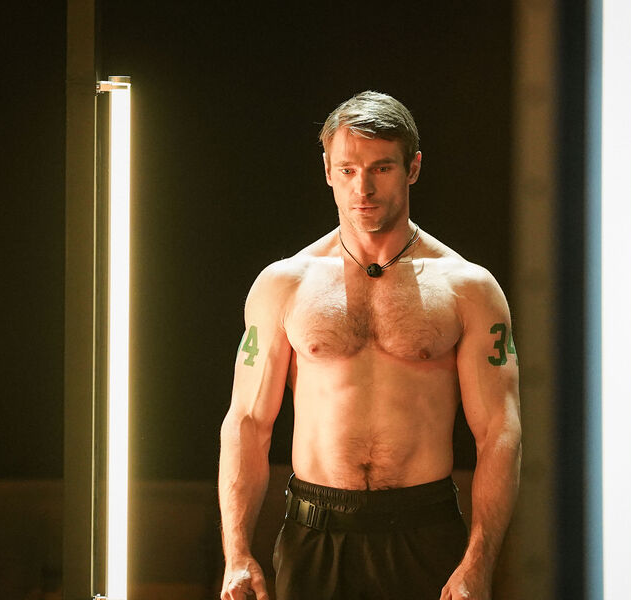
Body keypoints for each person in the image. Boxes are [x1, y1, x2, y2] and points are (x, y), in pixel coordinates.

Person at [218, 91, 521, 600]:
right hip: (315, 533)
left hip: (425, 531)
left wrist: (479, 562)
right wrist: (237, 554)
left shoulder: (467, 287)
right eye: (348, 169)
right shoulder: (285, 284)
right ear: (328, 171)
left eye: (381, 168)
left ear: (413, 168)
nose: (363, 187)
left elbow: (500, 432)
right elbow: (247, 423)